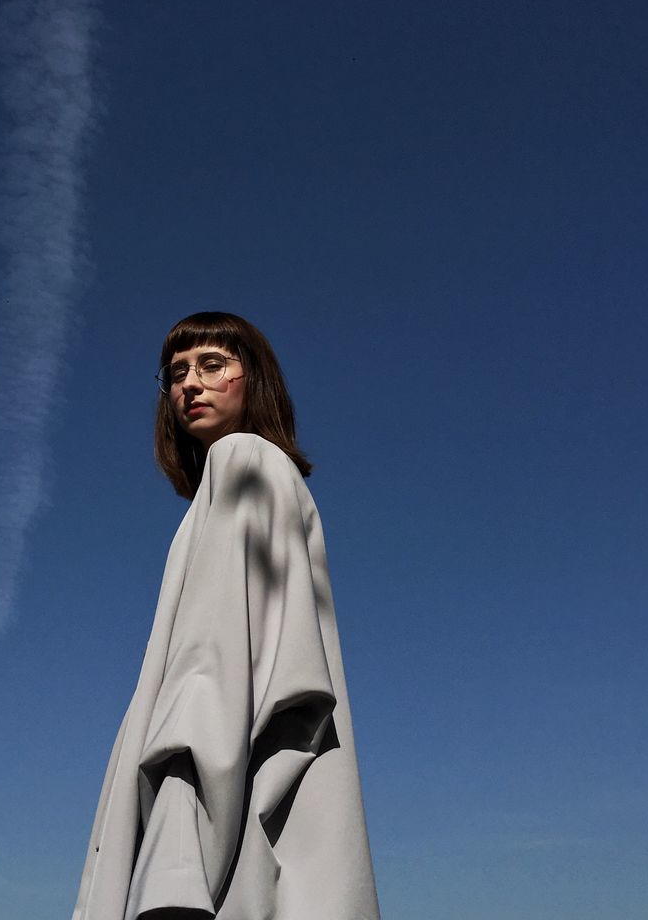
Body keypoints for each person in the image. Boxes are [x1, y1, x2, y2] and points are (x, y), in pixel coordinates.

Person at [71, 312, 381, 920]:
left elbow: (208, 676)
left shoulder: (242, 461)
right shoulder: (261, 479)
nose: (190, 383)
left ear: (252, 379)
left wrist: (175, 868)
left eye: (213, 365)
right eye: (177, 372)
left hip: (216, 827)